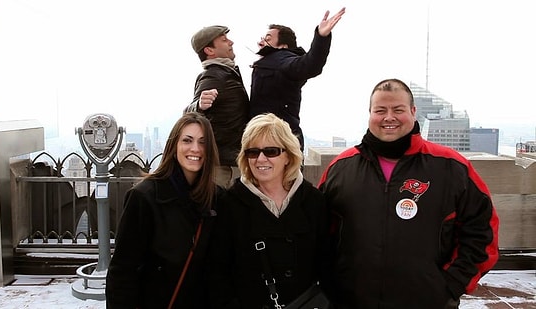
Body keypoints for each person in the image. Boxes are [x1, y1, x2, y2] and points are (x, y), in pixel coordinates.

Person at [318, 78, 500, 309]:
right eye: (380, 110)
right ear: (370, 114)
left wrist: (450, 284)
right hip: (351, 301)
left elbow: (482, 232)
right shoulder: (341, 168)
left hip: (427, 301)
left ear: (413, 112)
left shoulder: (451, 166)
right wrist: (331, 284)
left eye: (398, 110)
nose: (389, 117)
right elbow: (319, 233)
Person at [207, 113, 332, 309]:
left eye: (271, 151)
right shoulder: (230, 204)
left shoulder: (312, 201)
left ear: (288, 156)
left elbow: (327, 265)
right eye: (253, 152)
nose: (260, 159)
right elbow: (217, 273)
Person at [105, 112, 221, 309]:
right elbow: (123, 270)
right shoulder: (144, 197)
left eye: (203, 142)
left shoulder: (217, 199)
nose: (195, 148)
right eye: (187, 140)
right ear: (173, 146)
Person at [249, 7, 345, 151]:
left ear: (283, 46)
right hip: (267, 138)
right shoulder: (267, 63)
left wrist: (321, 37)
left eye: (268, 38)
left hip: (280, 142)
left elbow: (310, 65)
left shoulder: (282, 60)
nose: (261, 41)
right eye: (262, 38)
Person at [185, 25, 250, 189]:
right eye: (224, 40)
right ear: (209, 50)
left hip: (227, 161)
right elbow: (188, 115)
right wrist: (199, 105)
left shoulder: (226, 71)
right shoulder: (214, 75)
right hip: (221, 166)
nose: (231, 42)